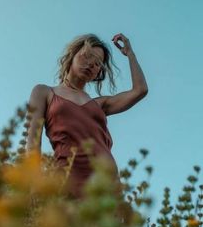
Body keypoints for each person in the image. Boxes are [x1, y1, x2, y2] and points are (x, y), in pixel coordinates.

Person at [26, 33, 148, 199]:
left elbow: (140, 91)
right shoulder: (44, 92)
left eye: (98, 63)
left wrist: (130, 54)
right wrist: (33, 185)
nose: (91, 64)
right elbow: (33, 141)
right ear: (73, 54)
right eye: (87, 56)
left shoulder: (100, 104)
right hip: (68, 182)